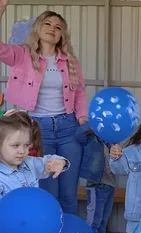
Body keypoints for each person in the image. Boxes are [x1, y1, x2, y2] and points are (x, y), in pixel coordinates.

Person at [0, 2, 88, 215]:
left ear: (61, 35)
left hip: (68, 128)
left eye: (58, 27)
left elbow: (80, 92)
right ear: (37, 29)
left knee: (69, 192)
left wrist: (83, 117)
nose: (52, 28)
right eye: (47, 23)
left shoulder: (70, 62)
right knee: (47, 191)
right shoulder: (22, 55)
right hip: (37, 129)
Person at [0, 115, 70, 233]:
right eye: (15, 145)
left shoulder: (30, 164)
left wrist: (61, 162)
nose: (22, 151)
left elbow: (50, 160)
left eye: (26, 145)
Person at [75, 123, 117, 233]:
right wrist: (92, 123)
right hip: (96, 184)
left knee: (104, 217)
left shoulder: (109, 142)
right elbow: (79, 134)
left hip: (110, 184)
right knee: (94, 218)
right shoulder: (90, 139)